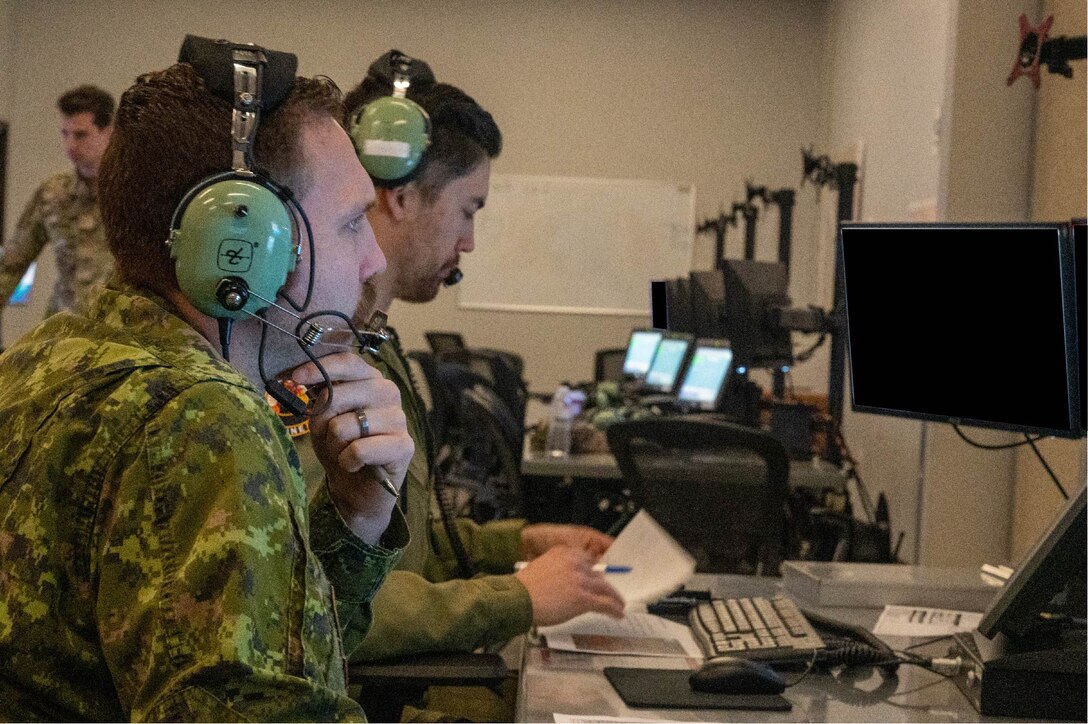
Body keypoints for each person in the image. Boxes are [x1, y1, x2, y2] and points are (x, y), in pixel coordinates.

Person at [0, 39, 415, 721]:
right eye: (349, 224)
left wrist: (356, 521)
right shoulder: (201, 419)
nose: (373, 261)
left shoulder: (45, 358)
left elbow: (275, 673)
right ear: (241, 244)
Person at [310, 51, 623, 719]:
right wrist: (517, 597)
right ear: (400, 193)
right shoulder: (314, 363)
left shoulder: (375, 347)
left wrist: (517, 544)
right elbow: (323, 595)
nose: (471, 241)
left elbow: (402, 543)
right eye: (468, 209)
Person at [0, 85, 115, 349]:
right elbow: (10, 266)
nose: (70, 145)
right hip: (63, 334)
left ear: (108, 131)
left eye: (81, 135)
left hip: (117, 337)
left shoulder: (134, 192)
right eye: (65, 134)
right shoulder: (54, 194)